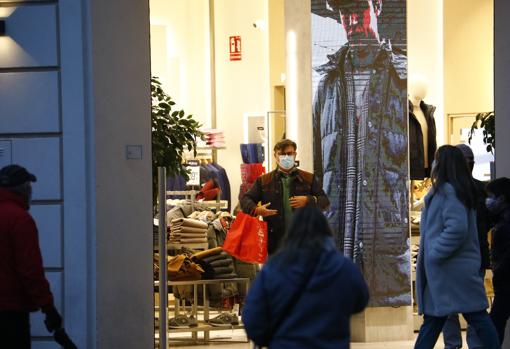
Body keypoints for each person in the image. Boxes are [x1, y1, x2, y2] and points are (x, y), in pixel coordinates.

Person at [312, 0, 409, 306]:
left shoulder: (400, 78)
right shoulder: (327, 82)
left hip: (386, 230)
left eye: (359, 11)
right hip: (339, 223)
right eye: (344, 13)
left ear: (377, 6)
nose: (352, 20)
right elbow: (318, 156)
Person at [242, 206, 369, 349]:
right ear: (326, 231)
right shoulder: (342, 267)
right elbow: (361, 301)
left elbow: (252, 317)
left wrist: (269, 339)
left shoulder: (273, 268)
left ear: (291, 232)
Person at [414, 146, 500, 349]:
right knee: (445, 317)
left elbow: (457, 229)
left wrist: (435, 253)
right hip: (450, 271)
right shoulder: (452, 190)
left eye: (436, 159)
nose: (433, 164)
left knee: (467, 316)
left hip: (450, 270)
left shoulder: (449, 192)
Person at [0, 164, 63, 348]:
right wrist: (48, 308)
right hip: (10, 312)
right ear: (24, 190)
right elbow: (30, 271)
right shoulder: (20, 219)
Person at [441, 144, 492, 349]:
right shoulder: (479, 190)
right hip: (472, 255)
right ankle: (471, 345)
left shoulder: (448, 191)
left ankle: (456, 345)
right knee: (472, 307)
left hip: (463, 257)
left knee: (454, 308)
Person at [240, 139, 329, 255]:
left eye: (289, 153)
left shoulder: (308, 178)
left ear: (295, 154)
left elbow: (325, 201)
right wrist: (257, 209)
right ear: (275, 156)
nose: (286, 157)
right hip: (275, 241)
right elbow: (245, 199)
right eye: (282, 154)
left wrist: (309, 200)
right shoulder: (264, 181)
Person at [486, 177, 510, 344]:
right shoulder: (501, 220)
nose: (488, 200)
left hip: (506, 283)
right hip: (504, 283)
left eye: (491, 196)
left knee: (495, 323)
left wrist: (498, 270)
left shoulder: (505, 224)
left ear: (501, 198)